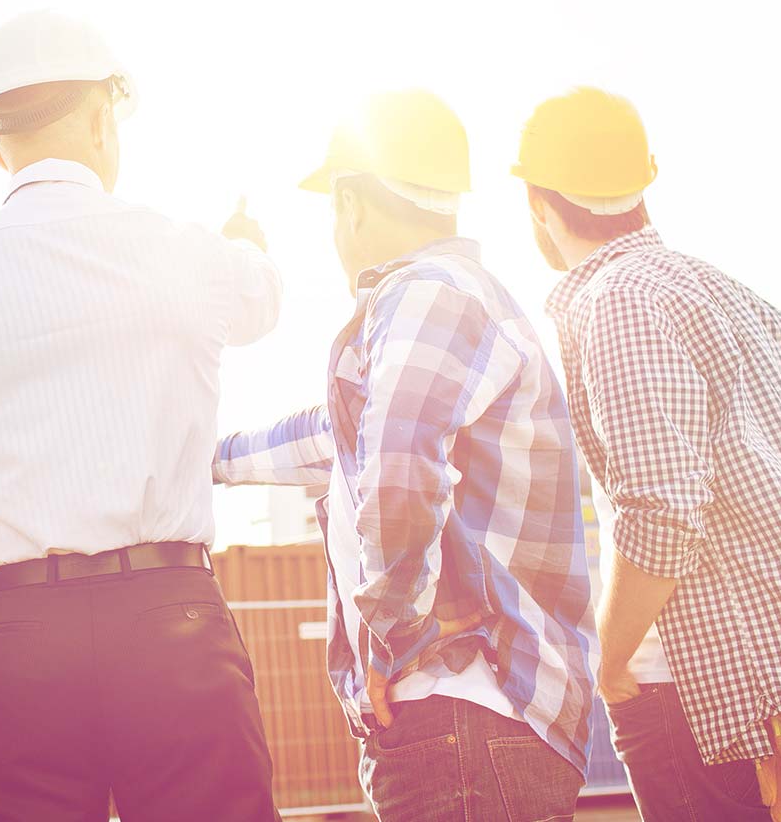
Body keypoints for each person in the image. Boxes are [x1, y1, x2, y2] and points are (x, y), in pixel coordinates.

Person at [0, 10, 284, 822]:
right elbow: (264, 301)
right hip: (175, 625)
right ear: (101, 118)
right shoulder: (186, 253)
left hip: (21, 639)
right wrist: (246, 244)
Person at [214, 90, 597, 822]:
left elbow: (398, 469)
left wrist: (390, 637)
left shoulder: (426, 296)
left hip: (463, 716)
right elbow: (340, 438)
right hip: (479, 725)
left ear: (351, 205)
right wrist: (213, 460)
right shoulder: (456, 302)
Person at [514, 85, 781, 819]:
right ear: (643, 186)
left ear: (539, 206)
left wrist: (609, 656)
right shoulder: (733, 293)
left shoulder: (619, 300)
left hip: (701, 689)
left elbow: (662, 509)